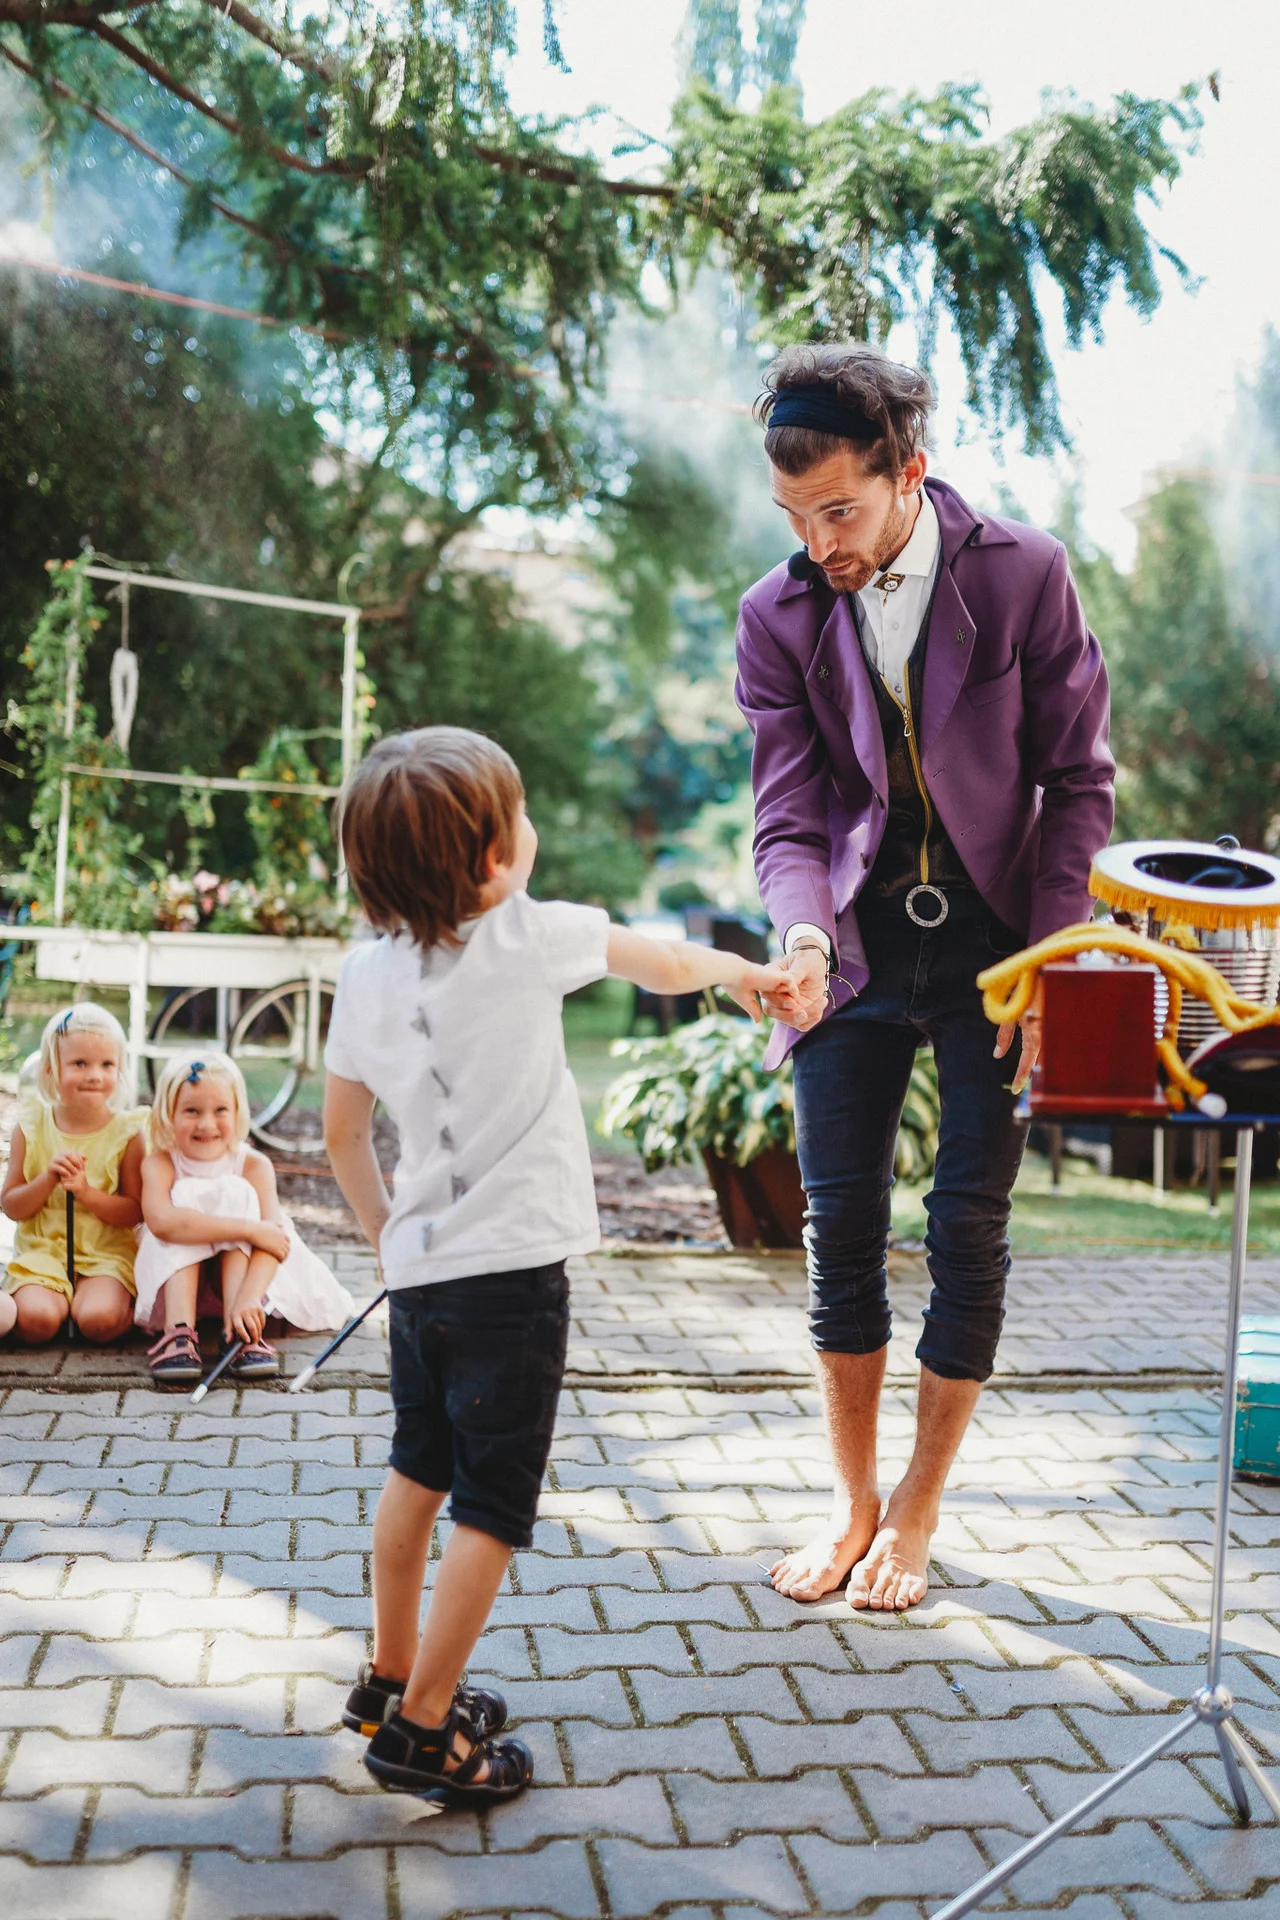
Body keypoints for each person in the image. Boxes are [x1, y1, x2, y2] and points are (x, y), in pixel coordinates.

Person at [323, 725, 793, 1803]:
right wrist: (745, 976)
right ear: (492, 860)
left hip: (420, 1277)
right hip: (512, 1282)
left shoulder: (364, 974)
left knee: (415, 1472)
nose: (529, 832)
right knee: (491, 1503)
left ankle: (388, 1675)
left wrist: (389, 1237)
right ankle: (426, 1729)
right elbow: (671, 963)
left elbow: (344, 1133)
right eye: (519, 817)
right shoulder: (529, 935)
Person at [737, 343, 1114, 1611]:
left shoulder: (1022, 574)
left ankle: (919, 1503)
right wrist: (798, 935)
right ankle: (848, 1502)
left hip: (999, 947)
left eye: (837, 510)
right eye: (792, 516)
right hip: (849, 943)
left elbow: (1077, 783)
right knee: (836, 1227)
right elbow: (787, 815)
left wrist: (1050, 961)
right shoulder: (775, 612)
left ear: (909, 472)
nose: (816, 543)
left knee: (967, 1224)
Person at [136, 1051, 354, 1386]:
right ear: (169, 1114)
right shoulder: (160, 1163)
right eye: (191, 1111)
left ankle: (238, 1330)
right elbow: (162, 1222)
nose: (207, 1124)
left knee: (238, 1193)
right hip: (180, 1279)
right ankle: (178, 1333)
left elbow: (275, 1241)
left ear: (238, 1112)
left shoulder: (253, 1165)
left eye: (220, 1110)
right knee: (188, 1197)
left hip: (244, 1280)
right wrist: (248, 1229)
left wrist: (251, 1298)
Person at [2, 1002, 145, 1346]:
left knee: (98, 1321)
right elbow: (10, 1205)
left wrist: (85, 1192)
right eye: (80, 1064)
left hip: (105, 1257)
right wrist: (47, 1179)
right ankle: (56, 1303)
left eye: (107, 1064)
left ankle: (122, 1309)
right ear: (51, 1069)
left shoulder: (128, 1132)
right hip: (44, 1254)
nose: (95, 1074)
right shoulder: (32, 1126)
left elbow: (135, 1211)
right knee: (37, 1322)